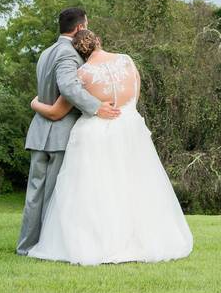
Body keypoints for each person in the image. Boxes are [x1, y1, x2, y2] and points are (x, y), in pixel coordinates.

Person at [26, 29, 193, 265]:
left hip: (96, 133)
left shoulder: (82, 74)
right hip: (131, 129)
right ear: (99, 42)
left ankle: (101, 241)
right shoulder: (126, 61)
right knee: (135, 185)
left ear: (78, 51)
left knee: (97, 188)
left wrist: (34, 103)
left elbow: (56, 112)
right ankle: (139, 239)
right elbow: (134, 95)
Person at [16, 8, 122, 256]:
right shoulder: (68, 52)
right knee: (53, 195)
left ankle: (26, 246)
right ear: (79, 28)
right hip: (59, 133)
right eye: (87, 24)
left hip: (40, 131)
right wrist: (96, 107)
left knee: (34, 194)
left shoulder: (46, 52)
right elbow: (67, 86)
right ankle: (44, 247)